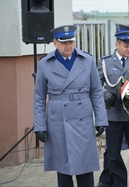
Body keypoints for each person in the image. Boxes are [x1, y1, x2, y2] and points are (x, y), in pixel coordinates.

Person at [33, 25, 108, 187]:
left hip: (83, 119)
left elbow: (96, 92)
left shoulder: (87, 60)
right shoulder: (45, 64)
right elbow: (39, 97)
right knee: (63, 167)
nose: (69, 46)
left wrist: (101, 119)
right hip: (58, 121)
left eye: (71, 42)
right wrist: (40, 126)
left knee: (85, 166)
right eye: (64, 42)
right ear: (55, 43)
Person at [96, 23, 129, 187]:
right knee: (113, 155)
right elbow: (96, 85)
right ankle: (119, 183)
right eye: (126, 46)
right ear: (117, 44)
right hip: (113, 116)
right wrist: (103, 93)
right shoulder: (105, 62)